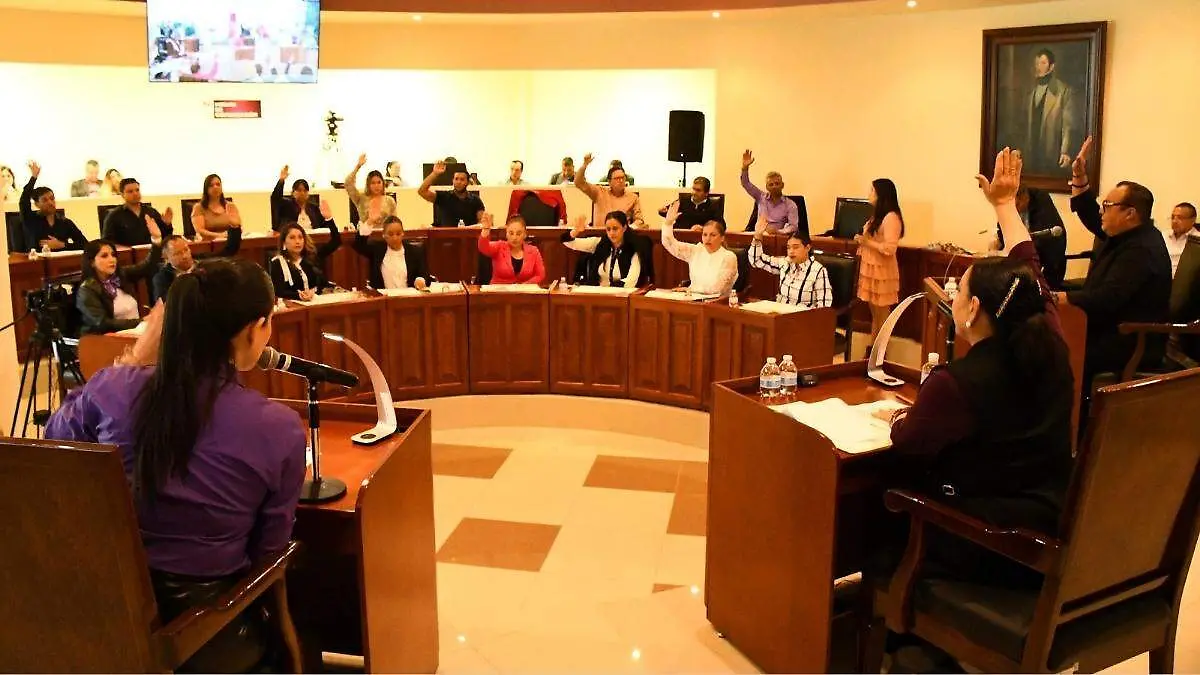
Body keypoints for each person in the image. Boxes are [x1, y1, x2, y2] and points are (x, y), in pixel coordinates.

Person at [46, 256, 305, 673]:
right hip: (204, 628)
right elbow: (267, 554)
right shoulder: (279, 428)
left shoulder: (113, 387)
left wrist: (135, 361)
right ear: (254, 329)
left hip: (110, 617)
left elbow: (55, 440)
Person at [875, 147, 1074, 596]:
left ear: (973, 308)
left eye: (959, 292)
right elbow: (1030, 270)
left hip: (985, 541)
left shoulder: (956, 384)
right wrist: (1004, 205)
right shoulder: (1052, 344)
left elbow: (908, 444)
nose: (954, 299)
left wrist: (898, 417)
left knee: (878, 505)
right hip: (1046, 529)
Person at [1053, 136, 1172, 381]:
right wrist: (1078, 176)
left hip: (1129, 340)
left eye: (1107, 205)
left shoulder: (1142, 249)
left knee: (1053, 352)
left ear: (1130, 213)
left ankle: (1071, 405)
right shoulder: (1126, 234)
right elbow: (1091, 215)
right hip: (1107, 327)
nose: (1101, 210)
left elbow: (1106, 298)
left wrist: (1059, 297)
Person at [76, 227, 164, 335]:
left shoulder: (121, 275)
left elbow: (148, 266)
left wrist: (156, 239)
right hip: (107, 339)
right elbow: (102, 323)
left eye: (113, 255)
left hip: (135, 332)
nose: (112, 259)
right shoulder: (87, 290)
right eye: (104, 256)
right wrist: (140, 322)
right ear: (92, 262)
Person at [855, 178, 905, 343]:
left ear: (881, 194)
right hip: (871, 269)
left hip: (882, 271)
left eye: (872, 191)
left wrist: (866, 242)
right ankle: (873, 348)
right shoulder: (877, 215)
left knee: (882, 315)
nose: (869, 194)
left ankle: (880, 351)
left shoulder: (891, 217)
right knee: (875, 314)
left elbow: (890, 249)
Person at [993, 184, 1068, 289]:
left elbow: (1044, 241)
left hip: (1048, 264)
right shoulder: (1012, 206)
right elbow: (1003, 232)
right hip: (1020, 264)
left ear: (1025, 198)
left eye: (1017, 204)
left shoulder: (1041, 201)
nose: (1015, 210)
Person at [152, 223, 243, 304]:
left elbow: (228, 252)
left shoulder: (203, 261)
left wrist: (234, 227)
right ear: (166, 258)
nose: (185, 256)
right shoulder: (162, 278)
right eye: (178, 253)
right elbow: (165, 305)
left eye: (186, 250)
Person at [661, 201, 738, 296]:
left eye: (713, 235)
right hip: (693, 299)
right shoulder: (695, 250)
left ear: (722, 238)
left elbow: (717, 289)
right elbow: (669, 244)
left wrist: (690, 289)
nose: (708, 239)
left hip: (717, 301)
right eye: (705, 235)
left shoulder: (729, 257)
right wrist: (668, 223)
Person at [1022, 48, 1077, 176]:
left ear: (1051, 67)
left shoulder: (1063, 91)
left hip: (1051, 153)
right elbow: (1023, 124)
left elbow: (1067, 126)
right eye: (1037, 63)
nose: (1038, 67)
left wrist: (1065, 151)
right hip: (1031, 154)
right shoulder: (1030, 91)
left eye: (1043, 63)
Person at [748, 226, 832, 309]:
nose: (791, 251)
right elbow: (756, 260)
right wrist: (757, 237)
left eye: (795, 247)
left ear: (807, 248)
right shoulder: (785, 263)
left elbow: (824, 306)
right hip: (780, 313)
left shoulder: (818, 270)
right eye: (788, 247)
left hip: (802, 315)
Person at [561, 212, 651, 288]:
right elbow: (568, 243)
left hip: (622, 297)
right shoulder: (601, 243)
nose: (611, 233)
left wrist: (608, 289)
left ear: (624, 228)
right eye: (608, 229)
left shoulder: (634, 248)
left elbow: (631, 282)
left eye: (615, 229)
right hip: (598, 295)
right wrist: (576, 231)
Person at [269, 213, 342, 300]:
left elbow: (336, 241)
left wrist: (329, 219)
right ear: (284, 242)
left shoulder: (312, 257)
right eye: (292, 238)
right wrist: (299, 296)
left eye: (300, 237)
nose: (297, 241)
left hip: (318, 301)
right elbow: (279, 291)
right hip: (294, 304)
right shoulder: (278, 263)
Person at [20, 161, 87, 252]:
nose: (50, 202)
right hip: (37, 259)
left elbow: (85, 244)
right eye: (45, 200)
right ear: (36, 204)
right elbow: (23, 201)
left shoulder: (64, 222)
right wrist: (34, 178)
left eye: (52, 198)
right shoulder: (30, 219)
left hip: (61, 260)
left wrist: (63, 245)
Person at [352, 215, 430, 291]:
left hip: (408, 296)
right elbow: (359, 245)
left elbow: (424, 273)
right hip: (383, 297)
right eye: (390, 234)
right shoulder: (377, 250)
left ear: (403, 234)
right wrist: (370, 222)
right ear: (384, 235)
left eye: (398, 234)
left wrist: (420, 280)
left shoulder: (415, 251)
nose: (395, 238)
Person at [575, 153, 645, 228]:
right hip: (600, 233)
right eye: (617, 178)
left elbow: (639, 220)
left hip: (623, 234)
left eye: (623, 178)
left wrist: (628, 229)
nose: (621, 181)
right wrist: (585, 165)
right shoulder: (599, 192)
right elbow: (578, 183)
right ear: (609, 182)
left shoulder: (633, 197)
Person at [740, 150, 799, 235]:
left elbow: (793, 226)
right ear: (767, 187)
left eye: (777, 184)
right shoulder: (760, 197)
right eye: (771, 184)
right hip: (758, 236)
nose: (774, 186)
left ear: (782, 185)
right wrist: (745, 168)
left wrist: (779, 232)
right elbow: (746, 183)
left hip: (777, 238)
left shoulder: (790, 205)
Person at [103, 178, 174, 246]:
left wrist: (167, 224)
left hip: (152, 251)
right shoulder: (114, 215)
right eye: (130, 191)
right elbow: (108, 242)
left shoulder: (151, 212)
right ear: (122, 195)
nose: (135, 193)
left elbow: (165, 238)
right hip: (127, 253)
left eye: (137, 190)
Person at [477, 213, 545, 285]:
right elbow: (483, 247)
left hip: (524, 291)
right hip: (499, 290)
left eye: (518, 234)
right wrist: (486, 230)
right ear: (506, 234)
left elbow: (540, 275)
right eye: (511, 233)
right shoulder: (499, 246)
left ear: (525, 234)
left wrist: (524, 286)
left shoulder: (533, 251)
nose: (514, 238)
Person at [420, 160, 486, 227]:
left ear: (467, 182)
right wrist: (435, 173)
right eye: (456, 179)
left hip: (469, 233)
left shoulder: (475, 200)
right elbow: (422, 191)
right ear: (453, 181)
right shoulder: (444, 197)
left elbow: (482, 222)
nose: (458, 182)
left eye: (462, 179)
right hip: (445, 233)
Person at [344, 154, 397, 229]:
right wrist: (358, 166)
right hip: (366, 233)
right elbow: (348, 183)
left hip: (385, 234)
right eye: (373, 183)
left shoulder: (389, 201)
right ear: (368, 185)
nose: (376, 186)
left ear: (383, 183)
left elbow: (394, 223)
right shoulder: (361, 199)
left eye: (379, 182)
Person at [270, 165, 327, 232]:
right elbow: (276, 198)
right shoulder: (287, 206)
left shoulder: (314, 208)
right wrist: (281, 180)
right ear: (293, 193)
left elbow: (323, 227)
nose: (302, 193)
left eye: (305, 190)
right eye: (299, 190)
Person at [191, 174, 241, 240]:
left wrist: (235, 226)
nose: (215, 187)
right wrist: (220, 235)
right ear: (206, 189)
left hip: (229, 241)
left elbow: (238, 227)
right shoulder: (199, 207)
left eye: (218, 184)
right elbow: (200, 231)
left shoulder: (230, 206)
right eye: (211, 185)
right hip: (209, 243)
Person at [1164, 202, 1198, 276]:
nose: (1174, 221)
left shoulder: (1197, 240)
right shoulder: (1163, 236)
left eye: (1180, 218)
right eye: (1173, 217)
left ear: (1193, 220)